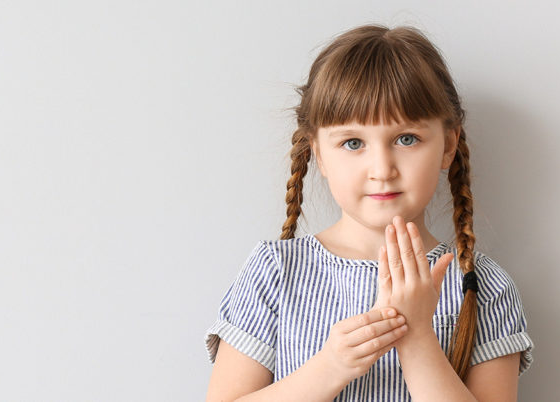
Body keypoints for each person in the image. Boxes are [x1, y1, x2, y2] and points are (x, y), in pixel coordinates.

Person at [203, 23, 534, 401]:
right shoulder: (275, 272)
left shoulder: (484, 286)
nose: (381, 168)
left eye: (406, 139)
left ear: (448, 144)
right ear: (318, 153)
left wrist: (418, 339)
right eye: (353, 142)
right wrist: (331, 366)